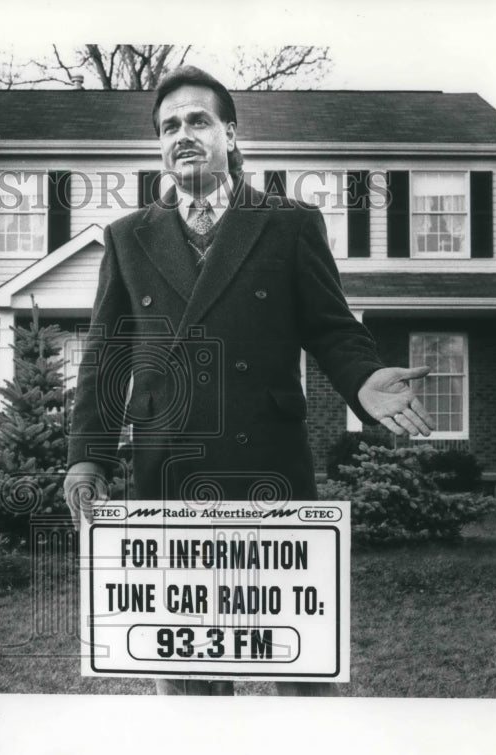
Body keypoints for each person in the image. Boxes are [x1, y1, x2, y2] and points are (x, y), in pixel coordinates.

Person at [64, 66, 434, 696]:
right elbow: (105, 355)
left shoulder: (288, 223)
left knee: (296, 665)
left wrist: (364, 378)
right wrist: (86, 460)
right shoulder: (129, 237)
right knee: (185, 674)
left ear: (230, 134)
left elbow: (332, 327)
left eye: (198, 120)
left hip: (270, 467)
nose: (183, 134)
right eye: (169, 126)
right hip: (168, 474)